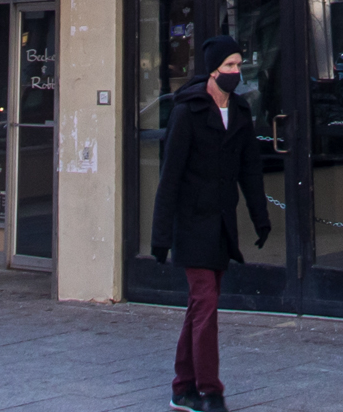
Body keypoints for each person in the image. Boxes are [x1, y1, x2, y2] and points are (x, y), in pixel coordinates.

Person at [148, 35, 270, 412]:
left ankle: (181, 387)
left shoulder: (241, 111)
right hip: (191, 223)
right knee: (206, 304)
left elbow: (250, 169)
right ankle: (209, 390)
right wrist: (160, 235)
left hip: (221, 224)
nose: (236, 72)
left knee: (199, 306)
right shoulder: (188, 112)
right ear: (213, 70)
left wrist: (259, 217)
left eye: (239, 65)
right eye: (230, 66)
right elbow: (170, 177)